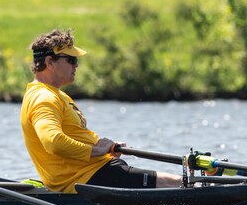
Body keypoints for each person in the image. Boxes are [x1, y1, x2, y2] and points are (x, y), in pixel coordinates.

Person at [19, 29, 185, 193]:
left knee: (179, 184)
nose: (76, 65)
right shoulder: (43, 98)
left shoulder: (57, 95)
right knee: (178, 184)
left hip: (96, 173)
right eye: (71, 59)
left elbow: (74, 134)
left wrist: (104, 147)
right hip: (87, 179)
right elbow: (53, 141)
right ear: (50, 62)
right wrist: (96, 151)